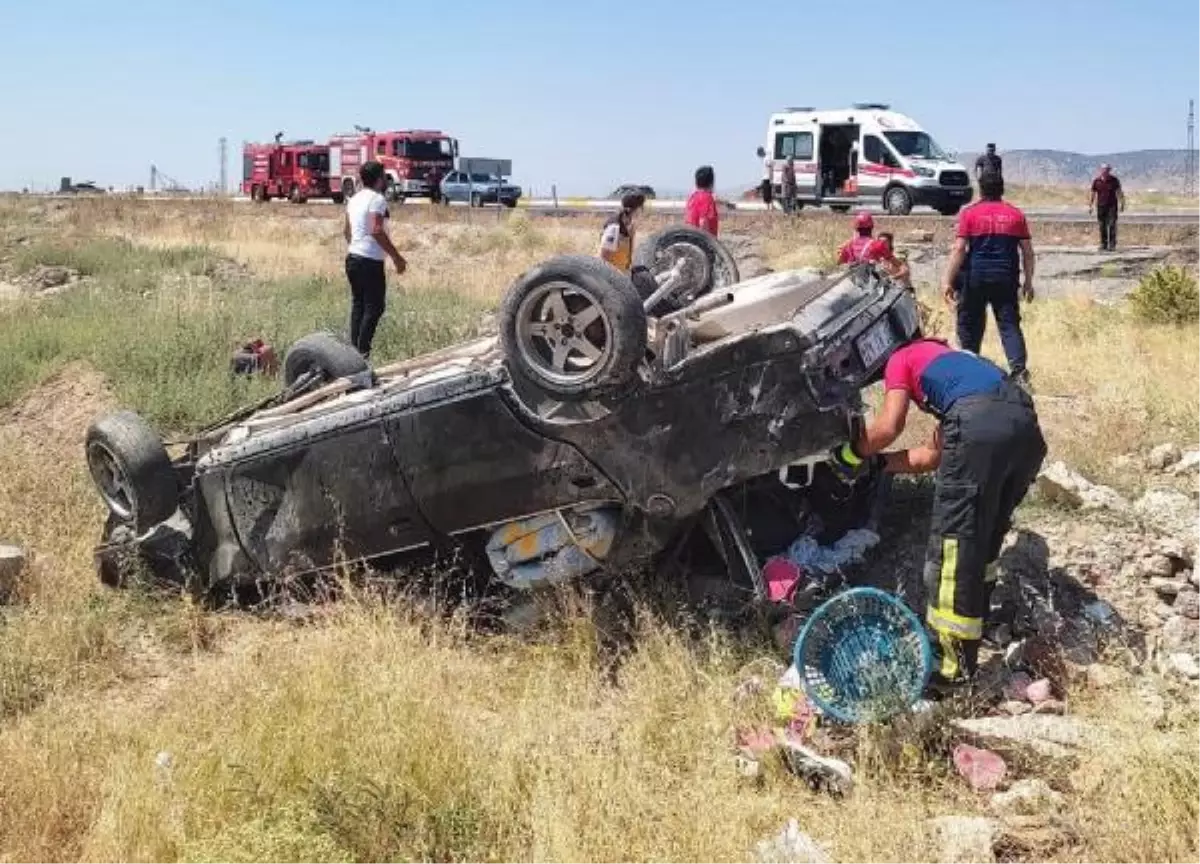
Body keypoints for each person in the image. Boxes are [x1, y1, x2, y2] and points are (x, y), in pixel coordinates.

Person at [830, 337, 1047, 688]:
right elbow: (930, 456)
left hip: (978, 429)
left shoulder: (901, 357)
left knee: (952, 554)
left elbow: (887, 427)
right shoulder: (959, 365)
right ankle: (978, 620)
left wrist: (848, 456)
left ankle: (951, 669)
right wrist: (878, 465)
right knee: (985, 537)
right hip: (1024, 428)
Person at [942, 171, 1034, 383]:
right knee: (1009, 325)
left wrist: (947, 280)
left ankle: (969, 369)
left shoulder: (969, 214)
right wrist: (1028, 282)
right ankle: (1019, 372)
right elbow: (1027, 251)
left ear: (981, 189)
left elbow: (959, 249)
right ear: (1002, 189)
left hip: (976, 277)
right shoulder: (1015, 214)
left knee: (971, 323)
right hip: (1006, 277)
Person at [342, 160, 406, 359]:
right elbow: (376, 229)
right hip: (369, 261)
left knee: (359, 305)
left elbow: (347, 231)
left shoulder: (354, 199)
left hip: (353, 258)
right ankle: (362, 353)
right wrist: (397, 258)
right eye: (384, 177)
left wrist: (356, 246)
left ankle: (354, 354)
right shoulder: (377, 199)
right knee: (375, 307)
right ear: (379, 180)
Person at [598, 191, 646, 273]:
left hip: (623, 274)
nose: (642, 211)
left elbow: (628, 257)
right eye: (641, 208)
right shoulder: (614, 228)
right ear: (633, 210)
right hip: (611, 278)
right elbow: (603, 259)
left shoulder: (630, 226)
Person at [1089, 164, 1125, 251]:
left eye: (1107, 170)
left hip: (1112, 206)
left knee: (1112, 225)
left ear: (1109, 170)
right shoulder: (1096, 181)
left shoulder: (1114, 180)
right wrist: (1090, 205)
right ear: (1100, 170)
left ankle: (1112, 244)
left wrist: (1122, 203)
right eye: (1104, 169)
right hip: (1101, 206)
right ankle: (1103, 244)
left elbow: (1119, 192)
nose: (1105, 171)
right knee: (1102, 225)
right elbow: (1092, 194)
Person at [685, 165, 720, 236]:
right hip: (701, 241)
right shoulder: (706, 197)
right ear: (711, 182)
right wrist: (709, 244)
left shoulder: (692, 197)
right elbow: (703, 222)